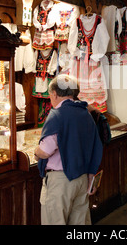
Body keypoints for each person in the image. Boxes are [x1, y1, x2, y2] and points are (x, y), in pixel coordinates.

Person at [34, 75, 103, 225]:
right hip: (81, 179)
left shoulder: (57, 114)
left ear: (54, 94)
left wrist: (36, 151)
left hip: (60, 182)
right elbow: (95, 146)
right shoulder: (85, 113)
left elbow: (46, 151)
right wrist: (91, 176)